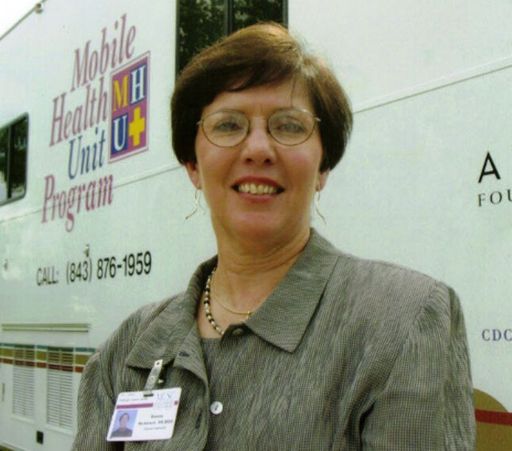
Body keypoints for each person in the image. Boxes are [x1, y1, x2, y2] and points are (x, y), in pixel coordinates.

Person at [72, 23, 475, 450]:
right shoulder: (128, 349)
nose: (258, 149)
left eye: (289, 126)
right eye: (228, 125)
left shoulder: (403, 323)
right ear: (193, 165)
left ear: (322, 166)